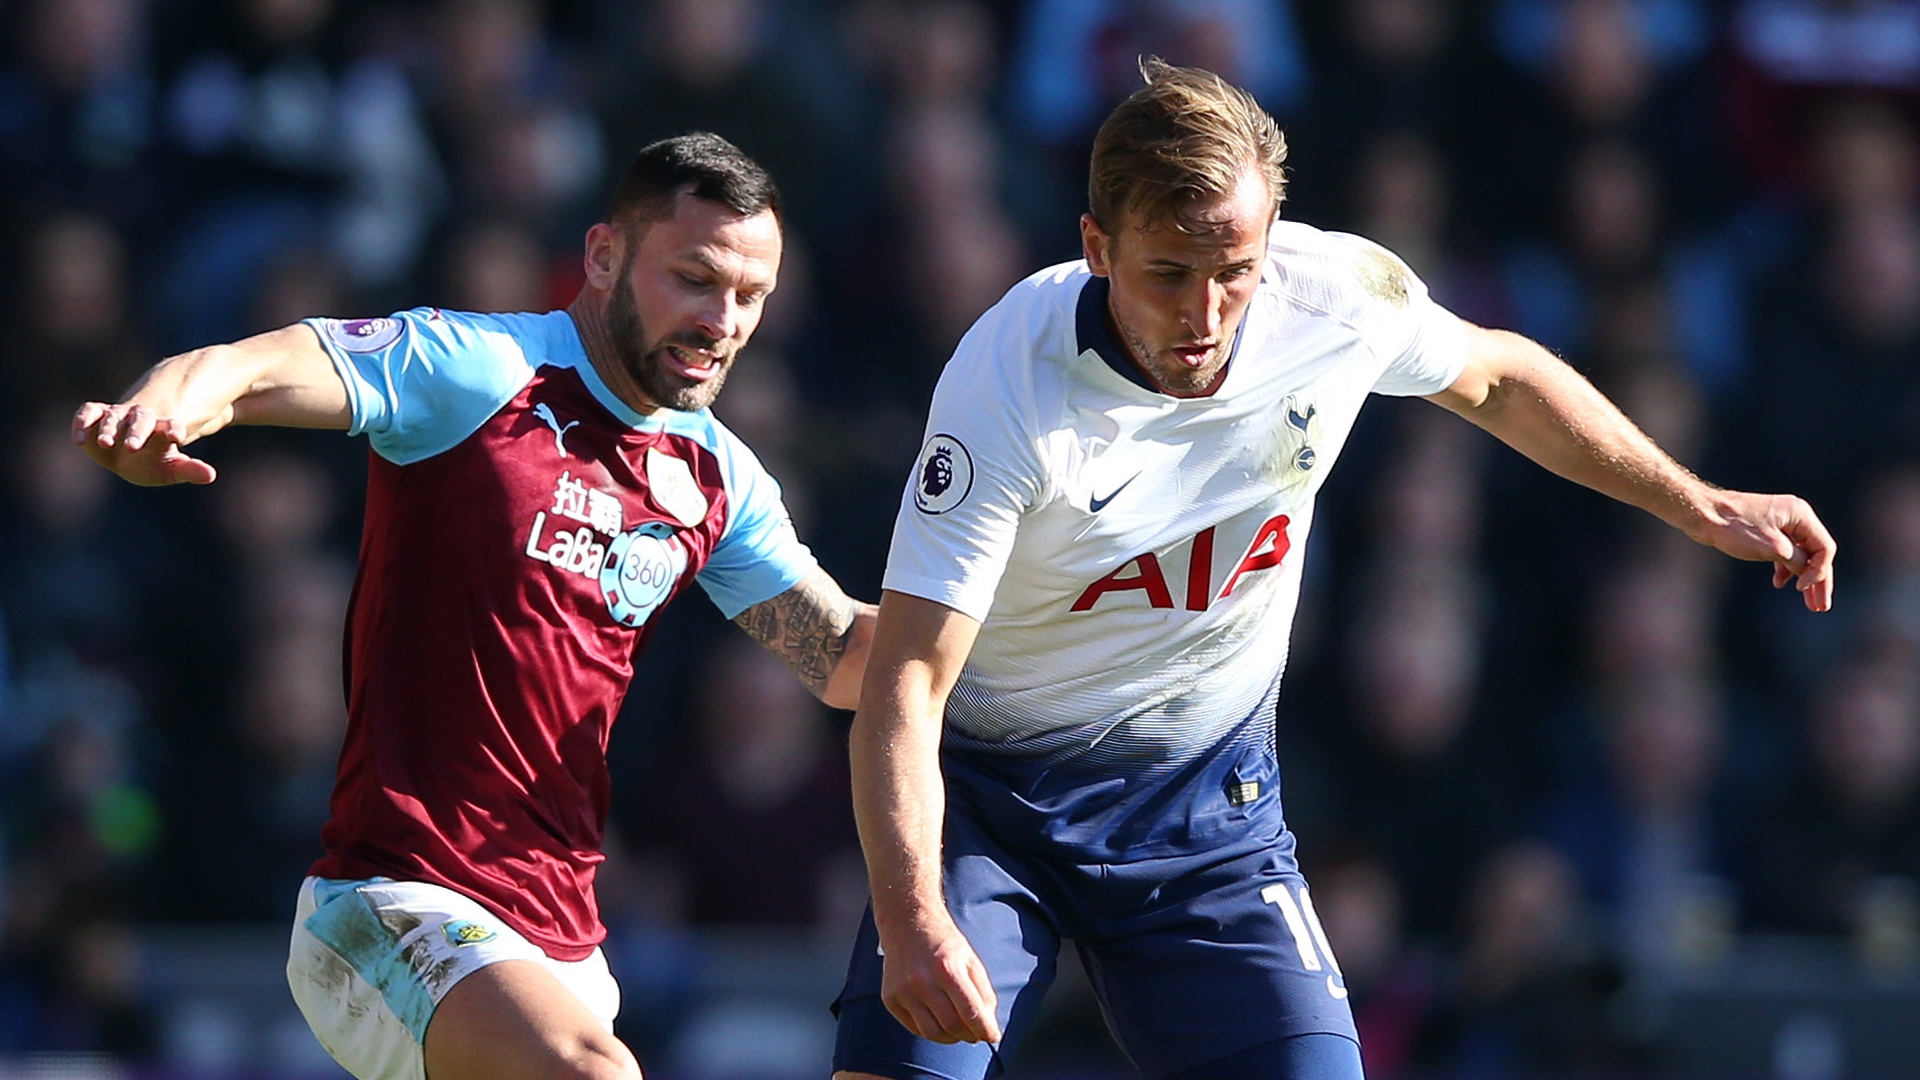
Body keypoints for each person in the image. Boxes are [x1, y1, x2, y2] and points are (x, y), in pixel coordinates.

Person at [830, 61, 1835, 1080]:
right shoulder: (1007, 385)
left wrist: (1699, 503)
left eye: (1235, 270)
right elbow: (907, 678)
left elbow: (1500, 381)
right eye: (1168, 273)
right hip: (993, 816)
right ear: (1096, 247)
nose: (1207, 313)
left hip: (1206, 818)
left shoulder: (1335, 299)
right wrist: (911, 919)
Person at [73, 133, 876, 1080]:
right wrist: (162, 412)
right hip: (391, 905)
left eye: (750, 298)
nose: (723, 322)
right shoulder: (482, 371)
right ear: (604, 255)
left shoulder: (716, 479)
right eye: (695, 279)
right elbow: (250, 365)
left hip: (566, 949)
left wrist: (1041, 611)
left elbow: (847, 662)